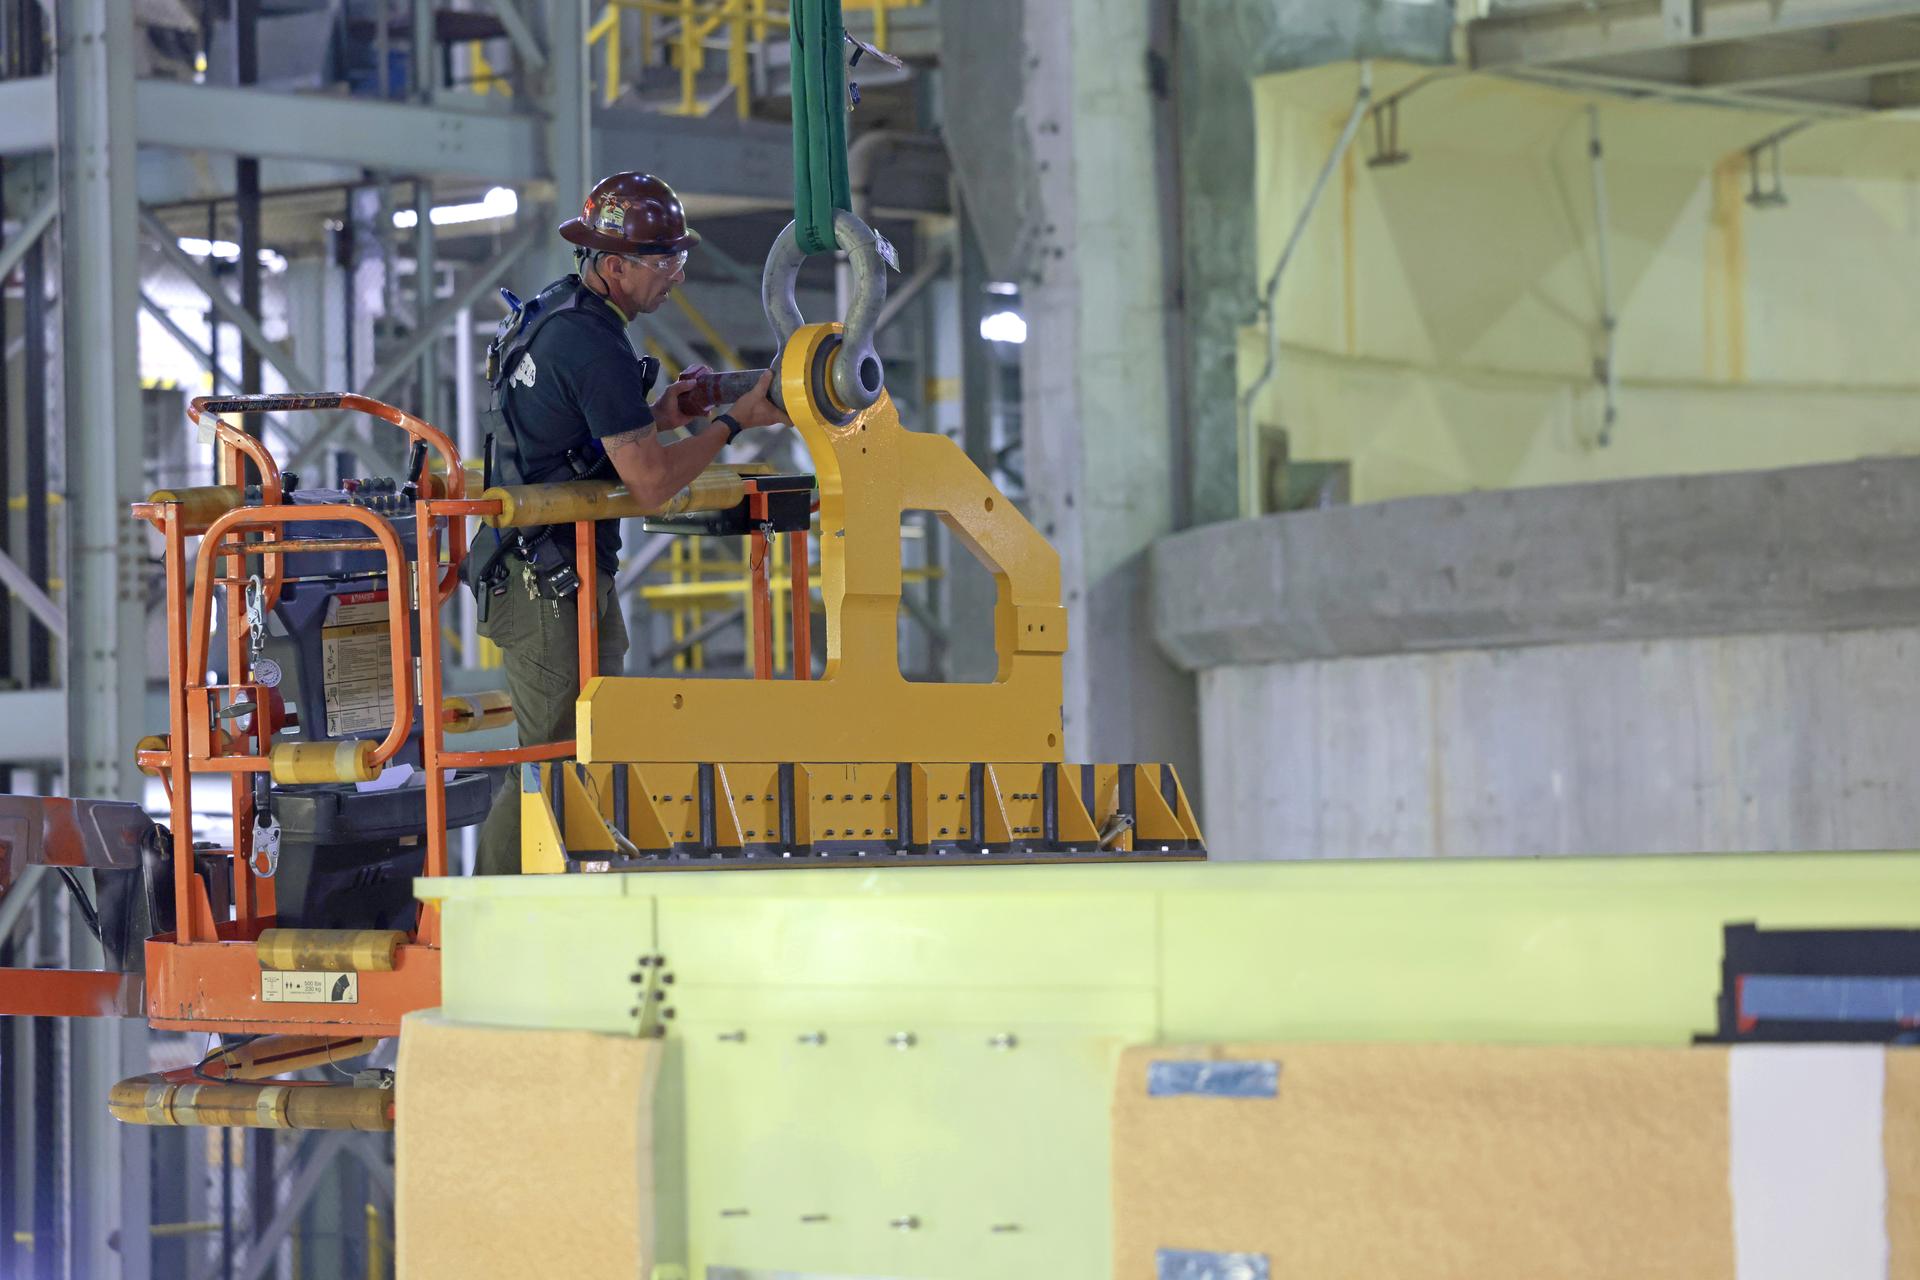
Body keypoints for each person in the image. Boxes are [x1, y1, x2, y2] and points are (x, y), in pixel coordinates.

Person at [467, 171, 787, 874]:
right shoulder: (592, 343)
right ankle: (487, 905)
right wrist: (734, 423)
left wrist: (666, 415)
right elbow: (650, 484)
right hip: (544, 574)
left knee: (584, 738)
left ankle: (554, 887)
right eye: (664, 261)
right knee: (553, 754)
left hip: (550, 566)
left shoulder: (562, 313)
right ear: (614, 266)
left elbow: (577, 435)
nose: (677, 276)